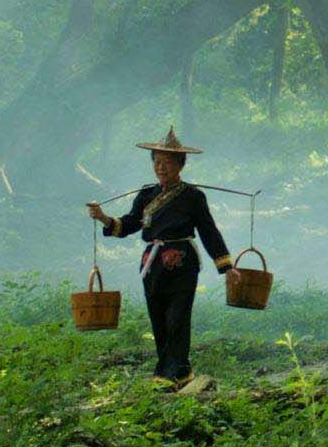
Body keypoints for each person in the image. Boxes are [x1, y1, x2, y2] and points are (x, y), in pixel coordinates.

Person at [87, 127, 239, 388]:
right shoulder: (146, 195)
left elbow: (208, 231)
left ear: (181, 165)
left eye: (167, 162)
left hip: (182, 262)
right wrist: (102, 217)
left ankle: (178, 371)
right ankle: (163, 371)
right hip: (151, 263)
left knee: (177, 316)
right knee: (157, 316)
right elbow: (129, 224)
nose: (161, 167)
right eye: (157, 162)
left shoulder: (193, 196)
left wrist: (227, 267)